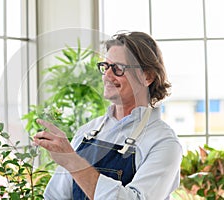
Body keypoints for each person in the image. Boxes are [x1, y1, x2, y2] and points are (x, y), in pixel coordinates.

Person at [33, 31, 182, 200]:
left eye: (118, 68)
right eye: (105, 67)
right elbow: (55, 196)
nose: (107, 76)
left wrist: (73, 161)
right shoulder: (87, 132)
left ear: (147, 76)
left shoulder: (163, 142)